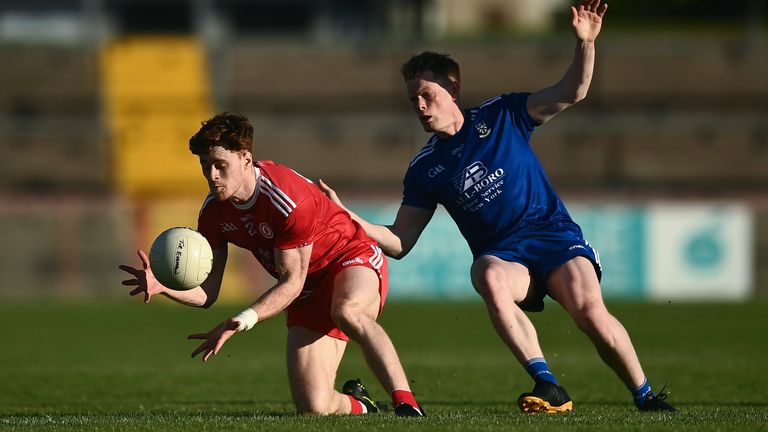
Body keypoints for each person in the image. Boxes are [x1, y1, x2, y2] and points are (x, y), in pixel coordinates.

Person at [319, 0, 675, 413]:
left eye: (426, 95)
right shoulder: (425, 168)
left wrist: (586, 44)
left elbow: (572, 91)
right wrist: (349, 216)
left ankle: (645, 395)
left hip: (553, 237)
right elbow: (399, 241)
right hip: (506, 256)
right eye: (413, 99)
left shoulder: (503, 114)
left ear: (452, 90)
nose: (419, 106)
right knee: (487, 273)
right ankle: (548, 385)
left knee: (591, 315)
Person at [119, 112, 424, 417]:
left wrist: (241, 320)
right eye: (205, 166)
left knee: (348, 311)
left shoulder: (286, 199)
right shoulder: (213, 213)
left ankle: (406, 403)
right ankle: (366, 407)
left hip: (347, 256)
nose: (211, 175)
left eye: (220, 165)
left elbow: (291, 281)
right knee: (314, 407)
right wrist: (164, 287)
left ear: (246, 159)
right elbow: (207, 293)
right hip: (306, 288)